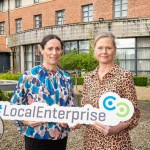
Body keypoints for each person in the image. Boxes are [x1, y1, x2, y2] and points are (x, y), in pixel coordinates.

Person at [11, 34, 74, 150]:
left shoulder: (67, 78)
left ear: (61, 51)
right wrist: (25, 121)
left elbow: (70, 106)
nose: (54, 52)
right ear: (42, 50)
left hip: (60, 137)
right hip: (36, 136)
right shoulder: (29, 76)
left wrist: (69, 120)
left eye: (57, 49)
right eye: (50, 48)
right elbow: (14, 105)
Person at [81, 32, 140, 150]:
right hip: (92, 141)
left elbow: (134, 113)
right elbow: (84, 108)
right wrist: (89, 121)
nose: (104, 51)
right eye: (100, 48)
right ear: (94, 50)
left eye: (108, 48)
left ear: (114, 50)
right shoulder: (89, 78)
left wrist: (116, 128)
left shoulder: (124, 76)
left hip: (116, 142)